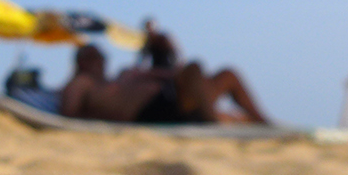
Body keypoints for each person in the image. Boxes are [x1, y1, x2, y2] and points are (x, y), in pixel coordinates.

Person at [59, 39, 271, 125]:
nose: (101, 61)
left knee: (227, 74)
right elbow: (69, 114)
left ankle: (264, 122)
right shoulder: (82, 81)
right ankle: (212, 122)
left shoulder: (115, 77)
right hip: (151, 111)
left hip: (168, 101)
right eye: (94, 57)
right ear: (81, 62)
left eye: (102, 56)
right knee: (194, 68)